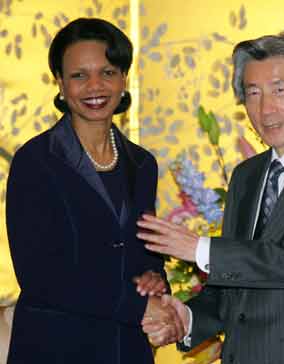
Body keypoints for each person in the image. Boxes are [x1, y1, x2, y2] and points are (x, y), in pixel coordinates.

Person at [136, 33, 284, 363]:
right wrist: (186, 320)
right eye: (253, 94)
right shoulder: (246, 176)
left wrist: (199, 249)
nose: (266, 108)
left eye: (279, 90)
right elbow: (237, 283)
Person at [6, 18, 183, 364]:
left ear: (124, 79)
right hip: (56, 348)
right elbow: (40, 275)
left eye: (108, 72)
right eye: (79, 75)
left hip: (126, 348)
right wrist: (136, 305)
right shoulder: (36, 161)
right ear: (59, 83)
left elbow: (144, 253)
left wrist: (154, 280)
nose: (95, 86)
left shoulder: (142, 163)